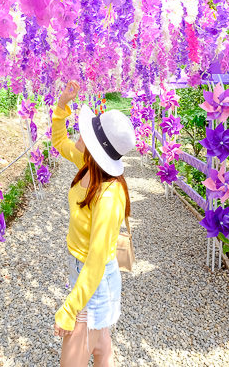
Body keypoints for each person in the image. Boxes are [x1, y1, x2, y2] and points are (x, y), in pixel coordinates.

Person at [51, 80, 136, 367]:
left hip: (95, 281)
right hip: (83, 272)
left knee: (73, 357)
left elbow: (97, 261)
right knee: (101, 349)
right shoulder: (88, 166)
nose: (80, 134)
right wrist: (62, 105)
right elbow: (60, 143)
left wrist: (69, 308)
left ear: (96, 147)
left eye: (85, 133)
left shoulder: (109, 195)